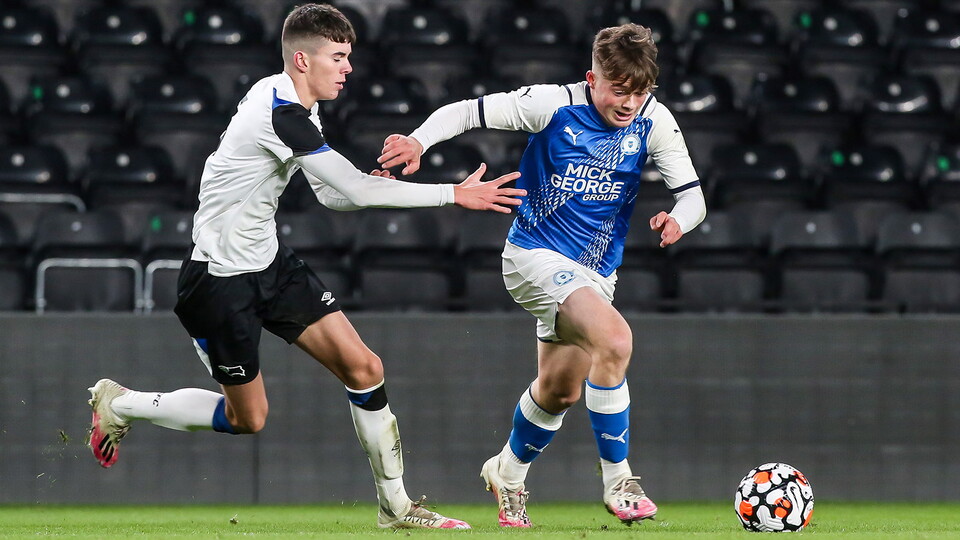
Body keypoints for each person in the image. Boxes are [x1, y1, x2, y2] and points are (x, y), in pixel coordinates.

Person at [86, 3, 524, 530]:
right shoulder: (279, 113)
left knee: (365, 368)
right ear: (302, 59)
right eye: (338, 57)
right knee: (247, 418)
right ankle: (123, 404)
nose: (348, 68)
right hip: (219, 281)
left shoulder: (298, 104)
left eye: (348, 57)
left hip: (270, 264)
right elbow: (356, 191)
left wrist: (361, 182)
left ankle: (397, 508)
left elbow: (335, 196)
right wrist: (454, 194)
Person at [378, 23, 706, 527]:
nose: (629, 103)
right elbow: (465, 111)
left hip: (596, 274)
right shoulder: (550, 105)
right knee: (616, 340)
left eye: (640, 92)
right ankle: (619, 480)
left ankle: (506, 472)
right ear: (591, 77)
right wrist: (419, 141)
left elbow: (693, 196)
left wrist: (678, 219)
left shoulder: (654, 120)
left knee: (559, 391)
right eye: (618, 89)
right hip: (534, 256)